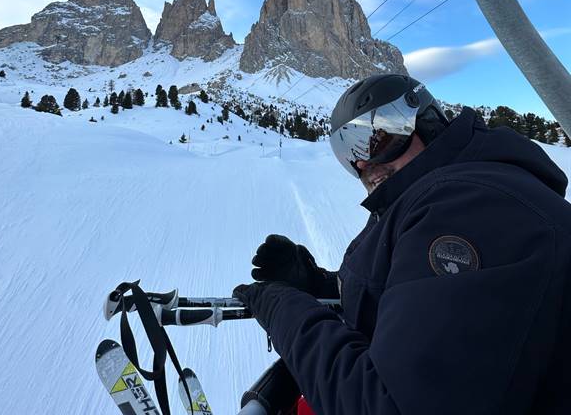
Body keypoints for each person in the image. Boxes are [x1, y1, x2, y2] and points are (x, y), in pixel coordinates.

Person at [234, 73, 571, 414]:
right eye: (349, 152)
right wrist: (319, 285)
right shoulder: (453, 192)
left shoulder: (467, 205)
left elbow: (387, 405)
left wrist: (284, 311)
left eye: (375, 139)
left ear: (425, 122)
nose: (364, 163)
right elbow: (416, 295)